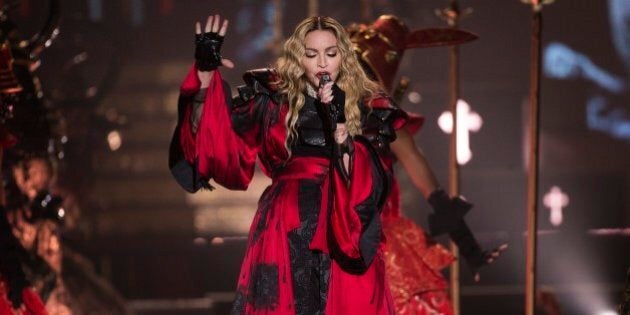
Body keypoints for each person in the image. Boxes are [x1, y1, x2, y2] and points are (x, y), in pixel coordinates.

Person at [169, 14, 403, 314]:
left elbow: (373, 181)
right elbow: (213, 140)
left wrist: (340, 126)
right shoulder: (272, 99)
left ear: (343, 56)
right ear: (298, 57)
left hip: (342, 228)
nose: (322, 63)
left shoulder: (368, 106)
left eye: (330, 54)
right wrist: (204, 74)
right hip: (284, 222)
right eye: (311, 54)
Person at [350, 15, 507, 314]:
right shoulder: (315, 122)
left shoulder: (387, 123)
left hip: (379, 243)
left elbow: (432, 191)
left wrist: (470, 247)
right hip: (325, 242)